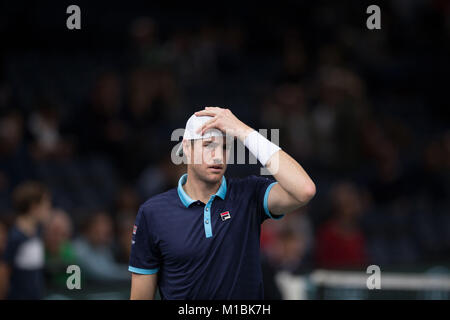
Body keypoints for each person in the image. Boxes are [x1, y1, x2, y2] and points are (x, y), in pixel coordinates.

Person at [129, 106, 316, 299]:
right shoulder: (153, 212)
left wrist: (244, 131)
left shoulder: (249, 193)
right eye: (208, 145)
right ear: (186, 148)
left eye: (225, 147)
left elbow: (304, 190)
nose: (218, 155)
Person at [0, 181, 52, 299]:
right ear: (34, 207)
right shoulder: (15, 237)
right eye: (46, 204)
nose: (49, 208)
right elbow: (4, 271)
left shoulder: (38, 232)